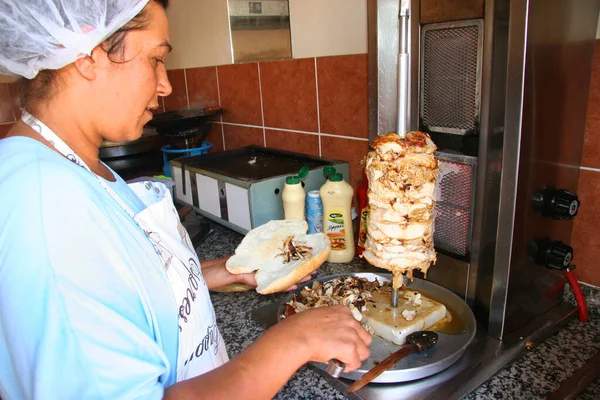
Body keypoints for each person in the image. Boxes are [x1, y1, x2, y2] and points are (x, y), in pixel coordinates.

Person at [0, 1, 372, 399]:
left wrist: (213, 271)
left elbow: (123, 282)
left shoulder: (71, 166)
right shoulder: (49, 209)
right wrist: (294, 340)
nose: (166, 85)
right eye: (156, 59)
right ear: (88, 56)